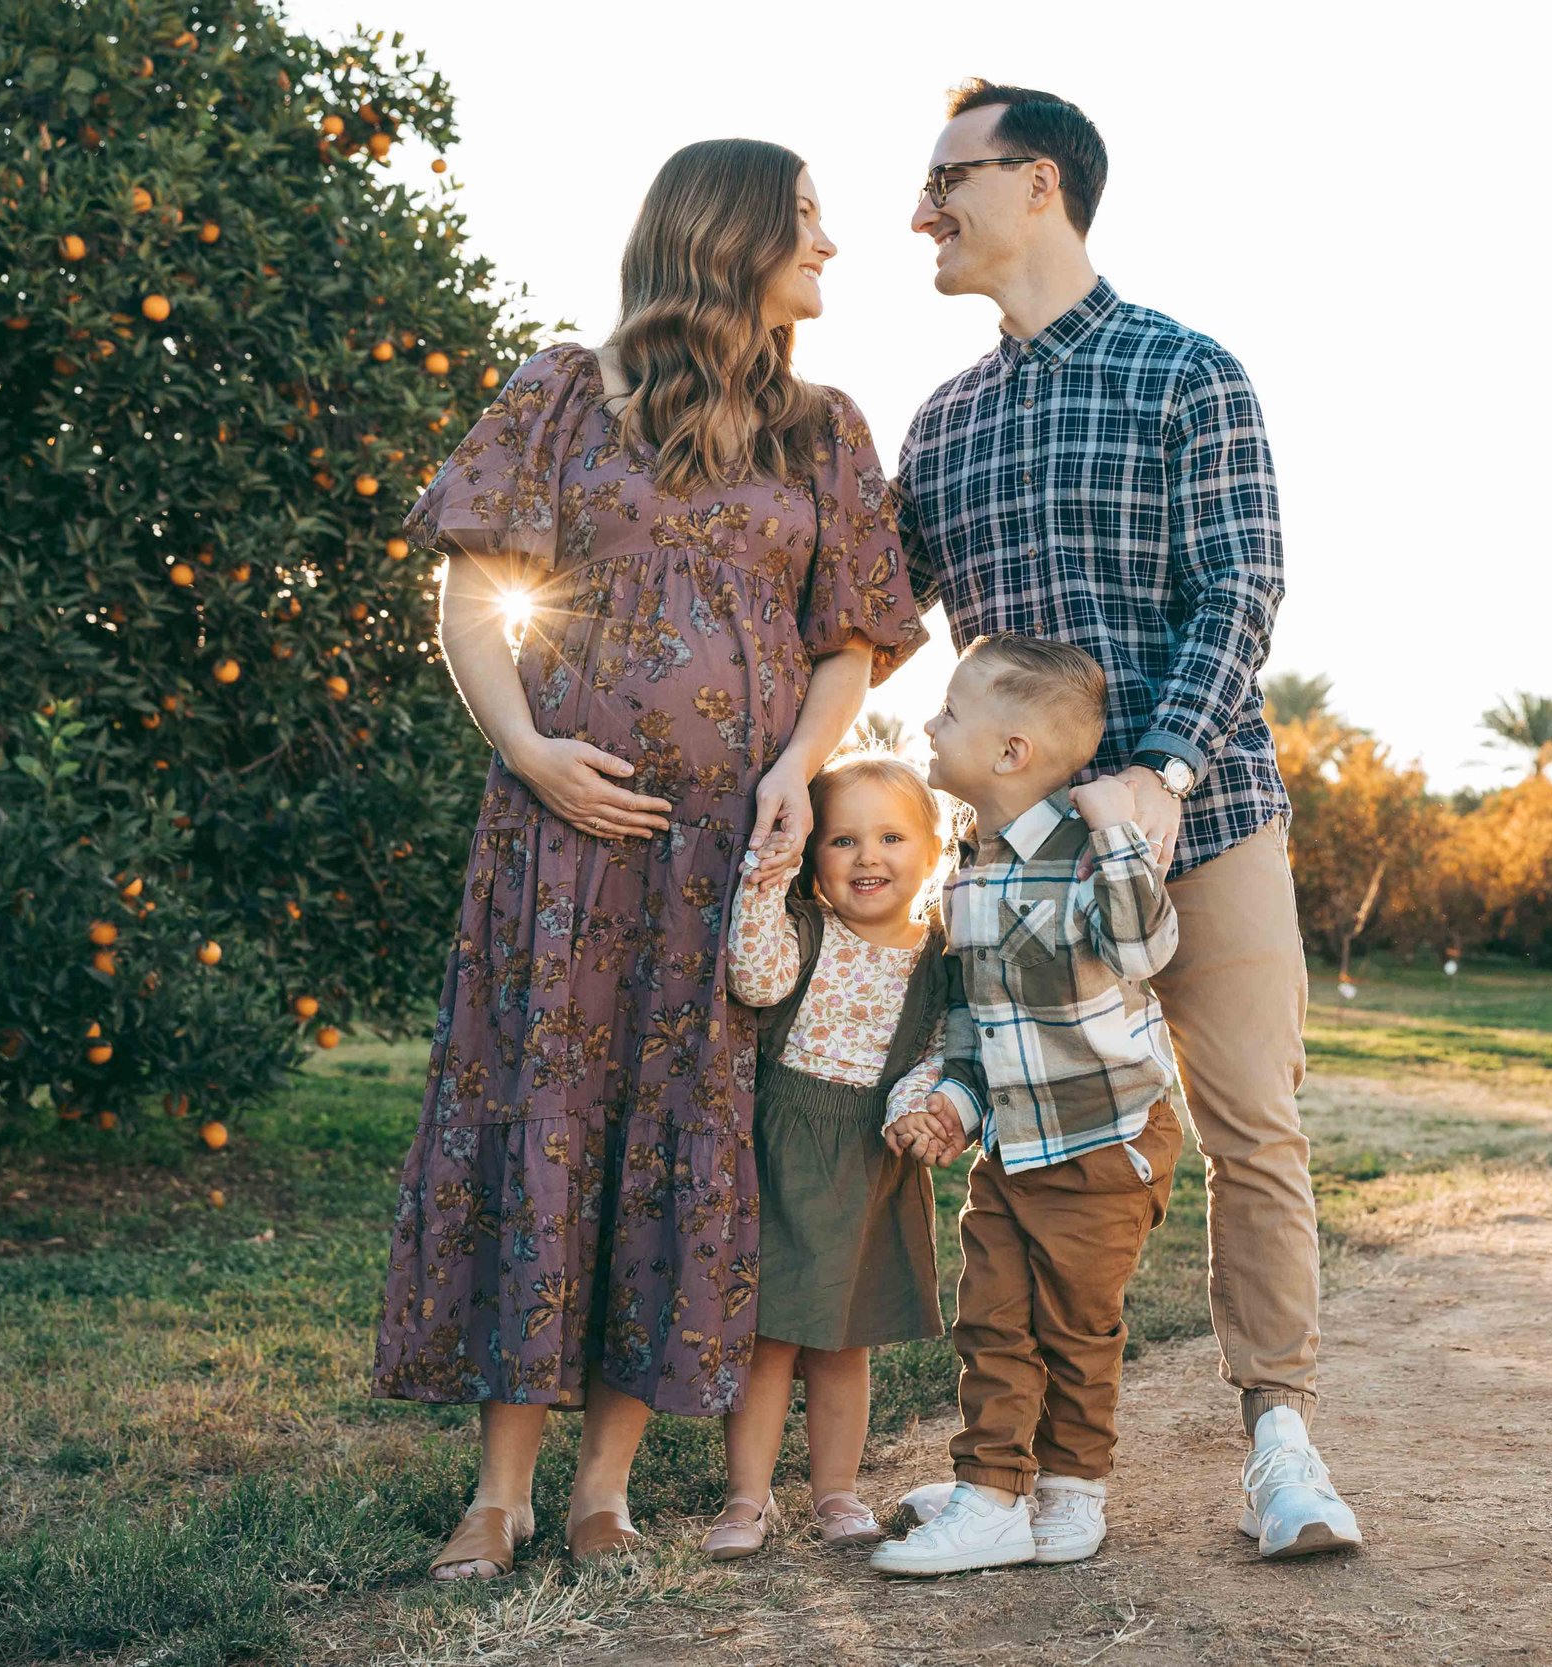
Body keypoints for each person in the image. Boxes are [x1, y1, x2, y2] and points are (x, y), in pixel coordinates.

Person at [370, 138, 927, 1581]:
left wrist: (796, 769)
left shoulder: (824, 429)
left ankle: (604, 1489)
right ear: (725, 236)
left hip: (727, 856)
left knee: (681, 1131)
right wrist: (528, 750)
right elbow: (474, 597)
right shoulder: (563, 390)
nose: (831, 247)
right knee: (544, 1115)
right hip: (560, 842)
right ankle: (496, 1493)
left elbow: (850, 637)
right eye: (805, 221)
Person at [896, 80, 1360, 1558]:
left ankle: (1280, 1438)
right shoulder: (942, 424)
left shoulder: (1185, 372)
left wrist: (1160, 771)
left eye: (947, 180)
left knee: (1253, 1123)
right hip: (1017, 874)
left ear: (1039, 181)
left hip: (1204, 819)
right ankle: (1023, 1477)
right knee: (1012, 1150)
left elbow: (1242, 587)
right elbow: (865, 612)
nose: (922, 210)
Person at [866, 634, 1184, 1577]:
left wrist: (1118, 826)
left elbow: (1142, 950)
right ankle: (992, 1490)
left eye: (950, 711)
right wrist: (954, 1103)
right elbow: (976, 1026)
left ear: (1011, 751)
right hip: (1013, 1146)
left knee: (1075, 1330)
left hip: (1105, 1143)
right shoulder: (968, 874)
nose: (930, 723)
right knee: (992, 1317)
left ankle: (1072, 1491)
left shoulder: (1091, 855)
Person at [704, 750, 953, 1560]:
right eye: (844, 839)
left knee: (844, 1340)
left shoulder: (939, 960)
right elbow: (754, 978)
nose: (867, 856)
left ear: (932, 850)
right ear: (815, 856)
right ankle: (747, 1497)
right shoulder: (806, 930)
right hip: (783, 1147)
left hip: (869, 1157)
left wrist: (917, 1110)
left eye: (891, 837)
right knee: (771, 1336)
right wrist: (765, 876)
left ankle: (837, 1491)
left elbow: (938, 1052)